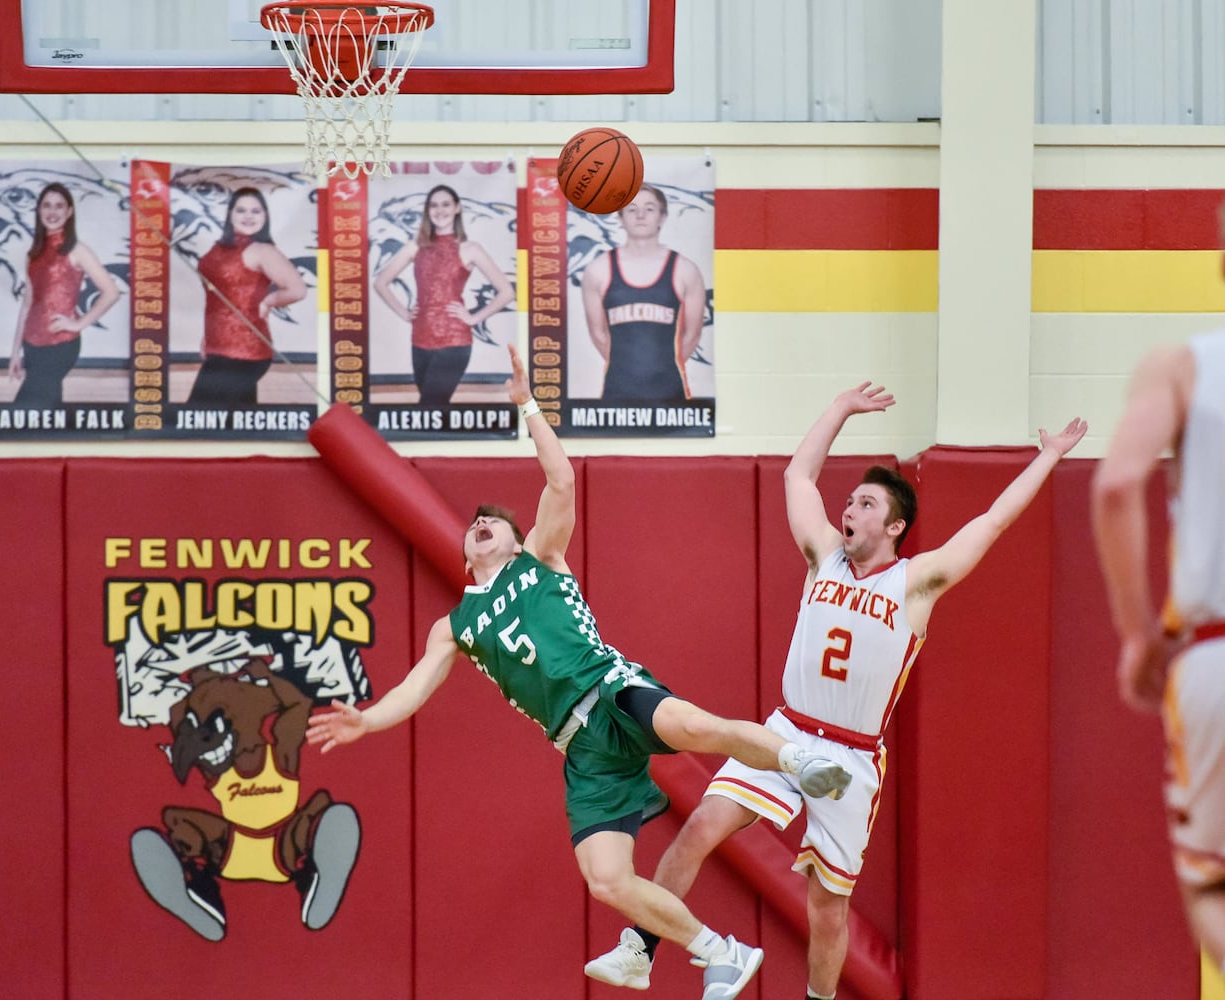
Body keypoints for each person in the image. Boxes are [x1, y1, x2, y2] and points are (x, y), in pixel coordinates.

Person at [306, 344, 854, 1000]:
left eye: (493, 521)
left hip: (609, 686)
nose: (482, 523)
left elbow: (560, 480)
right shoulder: (454, 625)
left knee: (695, 726)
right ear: (464, 554)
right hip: (580, 748)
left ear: (515, 540)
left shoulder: (540, 557)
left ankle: (799, 761)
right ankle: (720, 952)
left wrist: (528, 408)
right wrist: (365, 719)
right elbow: (414, 688)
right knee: (606, 880)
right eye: (474, 523)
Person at [586, 382, 1087, 1000]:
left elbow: (993, 521)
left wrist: (1048, 456)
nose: (849, 510)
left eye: (865, 503)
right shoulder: (822, 556)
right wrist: (841, 409)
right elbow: (798, 477)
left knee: (826, 909)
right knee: (698, 830)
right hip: (786, 733)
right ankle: (641, 949)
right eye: (848, 502)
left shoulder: (917, 582)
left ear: (895, 523)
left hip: (851, 758)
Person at [1092, 326, 1225, 971]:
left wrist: (1140, 634)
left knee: (1210, 884)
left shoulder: (1183, 365)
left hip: (1213, 656)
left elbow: (1118, 486)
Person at [372, 184, 516, 406]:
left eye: (446, 204)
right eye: (434, 205)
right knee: (433, 413)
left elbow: (506, 292)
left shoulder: (470, 249)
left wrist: (474, 318)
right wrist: (405, 313)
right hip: (420, 339)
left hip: (454, 341)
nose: (440, 211)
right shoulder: (415, 247)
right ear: (427, 211)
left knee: (430, 406)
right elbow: (381, 283)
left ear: (457, 208)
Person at [580, 184, 707, 401]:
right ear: (620, 218)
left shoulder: (686, 270)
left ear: (662, 217)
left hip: (669, 393)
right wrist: (629, 370)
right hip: (617, 391)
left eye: (649, 209)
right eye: (631, 209)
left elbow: (692, 334)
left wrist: (658, 369)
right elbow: (598, 334)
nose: (640, 215)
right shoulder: (598, 270)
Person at [187, 186, 307, 406]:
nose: (248, 217)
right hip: (218, 348)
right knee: (238, 422)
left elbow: (297, 289)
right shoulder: (220, 248)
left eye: (256, 211)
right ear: (230, 214)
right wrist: (209, 337)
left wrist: (269, 301)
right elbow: (219, 299)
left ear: (265, 216)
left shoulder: (263, 250)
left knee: (200, 419)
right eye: (241, 210)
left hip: (246, 352)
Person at [8, 182, 120, 406]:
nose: (52, 212)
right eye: (47, 206)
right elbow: (28, 304)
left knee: (26, 411)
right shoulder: (34, 253)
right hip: (31, 345)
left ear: (69, 212)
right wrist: (14, 352)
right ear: (38, 210)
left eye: (59, 206)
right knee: (47, 409)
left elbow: (111, 292)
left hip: (59, 345)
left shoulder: (76, 249)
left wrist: (78, 324)